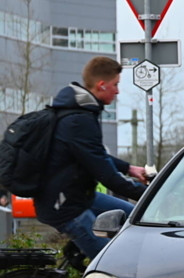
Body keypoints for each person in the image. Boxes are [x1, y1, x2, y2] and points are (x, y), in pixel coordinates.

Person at [36, 57, 148, 259]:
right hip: (65, 206)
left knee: (132, 216)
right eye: (115, 85)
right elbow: (108, 176)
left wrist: (129, 168)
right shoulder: (79, 119)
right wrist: (151, 197)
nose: (117, 91)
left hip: (79, 195)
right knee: (112, 262)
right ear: (101, 85)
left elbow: (94, 154)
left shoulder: (80, 111)